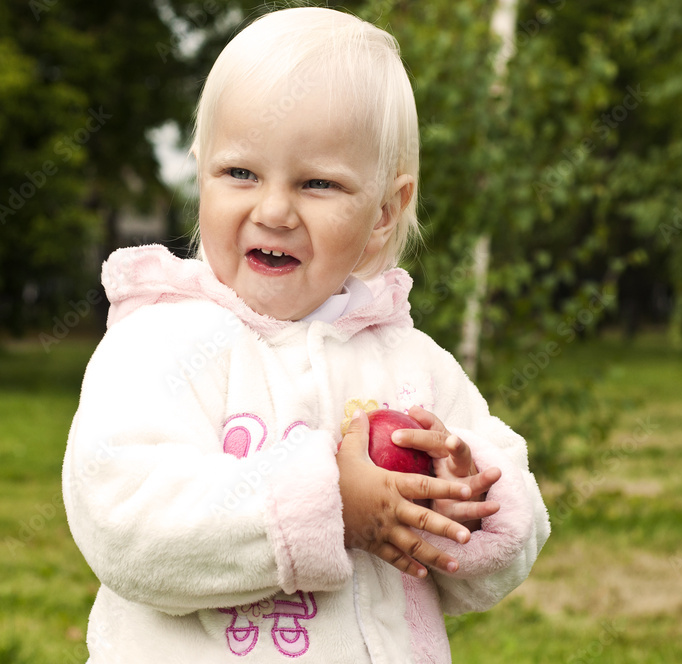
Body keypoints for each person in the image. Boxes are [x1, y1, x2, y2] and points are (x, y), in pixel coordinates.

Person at [63, 7, 550, 663]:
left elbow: (495, 562)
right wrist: (326, 505)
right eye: (240, 174)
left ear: (384, 213)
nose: (273, 210)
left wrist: (466, 497)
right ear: (200, 173)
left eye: (317, 183)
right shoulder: (161, 344)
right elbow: (124, 520)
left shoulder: (412, 367)